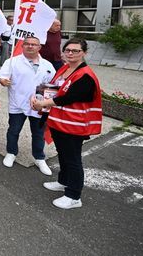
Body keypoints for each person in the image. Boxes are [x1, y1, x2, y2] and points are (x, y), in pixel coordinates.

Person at [32, 38, 102, 210]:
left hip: (73, 124)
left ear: (84, 53)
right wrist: (39, 96)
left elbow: (69, 98)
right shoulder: (65, 68)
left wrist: (44, 103)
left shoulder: (85, 75)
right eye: (68, 50)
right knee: (63, 154)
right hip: (59, 122)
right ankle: (63, 181)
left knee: (73, 159)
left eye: (76, 51)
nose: (71, 53)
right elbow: (54, 89)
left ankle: (74, 195)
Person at [0, 36, 55, 175]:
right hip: (18, 103)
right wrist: (3, 81)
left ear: (39, 47)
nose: (30, 46)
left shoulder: (47, 65)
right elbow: (2, 76)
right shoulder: (12, 62)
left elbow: (53, 84)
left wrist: (46, 103)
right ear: (22, 46)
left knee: (38, 133)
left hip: (39, 105)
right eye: (27, 44)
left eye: (34, 44)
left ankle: (39, 158)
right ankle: (11, 152)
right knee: (14, 130)